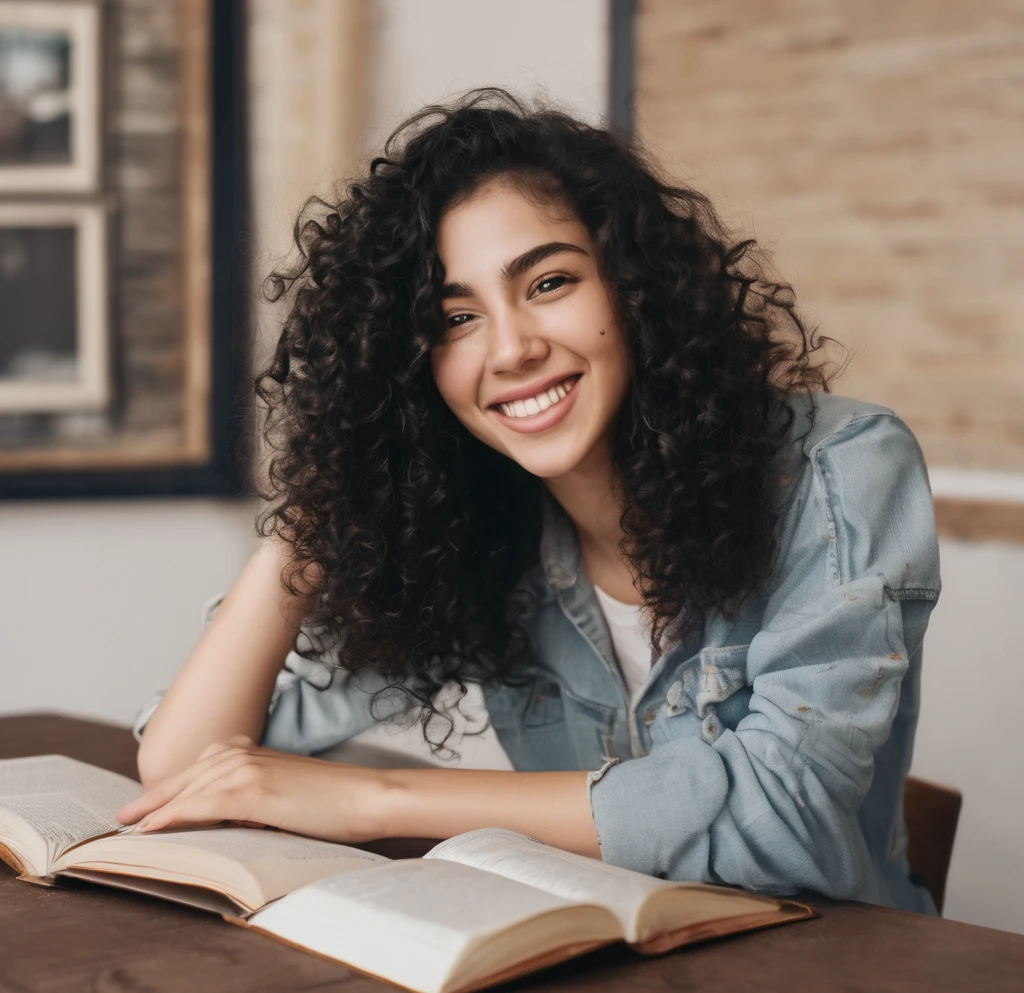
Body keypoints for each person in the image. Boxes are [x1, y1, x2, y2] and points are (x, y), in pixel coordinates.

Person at [116, 88, 941, 914]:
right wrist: (334, 486)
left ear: (635, 285)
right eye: (456, 319)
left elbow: (787, 814)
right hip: (600, 967)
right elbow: (187, 765)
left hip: (831, 976)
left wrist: (377, 804)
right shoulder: (478, 528)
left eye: (548, 282)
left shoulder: (838, 466)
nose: (511, 349)